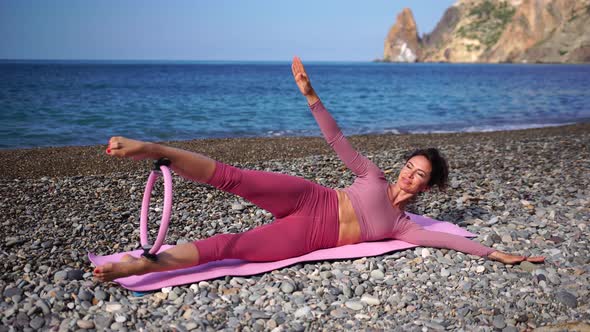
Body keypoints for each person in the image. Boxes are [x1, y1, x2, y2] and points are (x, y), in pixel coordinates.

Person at [94, 57, 544, 282]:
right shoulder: (372, 175)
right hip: (310, 197)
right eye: (409, 166)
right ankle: (150, 147)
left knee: (227, 247)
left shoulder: (404, 227)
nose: (409, 174)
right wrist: (311, 94)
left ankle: (136, 265)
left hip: (311, 236)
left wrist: (501, 255)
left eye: (419, 174)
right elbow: (337, 139)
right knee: (234, 176)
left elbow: (448, 240)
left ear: (427, 185)